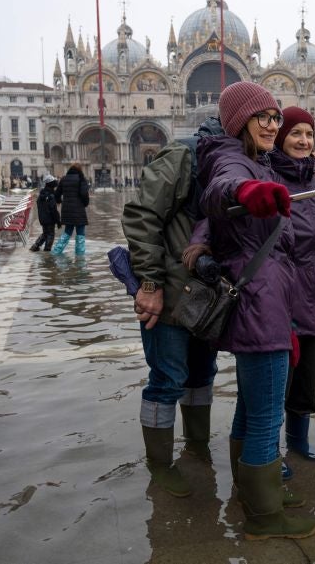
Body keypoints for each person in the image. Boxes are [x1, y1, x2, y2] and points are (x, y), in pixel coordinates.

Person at [194, 81, 315, 540]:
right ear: (238, 122)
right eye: (261, 117)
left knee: (250, 410)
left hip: (269, 301)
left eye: (274, 117)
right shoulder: (231, 159)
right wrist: (248, 192)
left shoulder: (257, 160)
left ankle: (252, 492)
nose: (271, 125)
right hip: (259, 303)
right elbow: (219, 190)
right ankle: (265, 518)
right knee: (267, 417)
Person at [122, 132, 219, 499]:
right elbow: (142, 215)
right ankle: (160, 465)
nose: (269, 127)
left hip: (208, 298)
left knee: (202, 375)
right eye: (262, 118)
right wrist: (150, 283)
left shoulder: (245, 159)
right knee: (167, 379)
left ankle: (197, 447)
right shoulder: (185, 154)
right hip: (169, 294)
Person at [270, 108, 315, 467]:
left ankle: (298, 443)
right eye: (296, 133)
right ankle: (268, 450)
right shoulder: (264, 178)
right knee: (275, 378)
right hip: (278, 294)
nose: (304, 140)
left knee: (306, 377)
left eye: (309, 134)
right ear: (281, 137)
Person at [51, 163, 90, 256]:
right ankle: (80, 256)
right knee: (80, 234)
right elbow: (84, 194)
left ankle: (56, 251)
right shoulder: (81, 179)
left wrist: (60, 201)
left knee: (67, 232)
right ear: (80, 170)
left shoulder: (64, 179)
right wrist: (85, 204)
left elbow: (56, 194)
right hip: (79, 210)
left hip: (67, 210)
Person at [30, 175, 60, 251]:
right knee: (50, 234)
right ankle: (47, 251)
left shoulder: (41, 194)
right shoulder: (50, 195)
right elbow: (53, 210)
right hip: (50, 219)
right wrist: (58, 221)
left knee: (45, 233)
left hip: (42, 219)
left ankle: (35, 246)